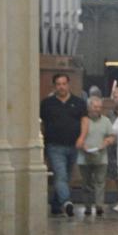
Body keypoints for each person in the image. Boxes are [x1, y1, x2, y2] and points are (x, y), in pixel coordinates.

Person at [40, 73, 88, 217]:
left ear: (68, 84)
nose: (61, 87)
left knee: (65, 177)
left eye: (64, 84)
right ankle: (67, 202)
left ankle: (56, 205)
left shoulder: (79, 102)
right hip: (54, 145)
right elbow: (41, 123)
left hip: (73, 144)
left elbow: (84, 121)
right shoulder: (47, 103)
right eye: (58, 84)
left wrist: (82, 137)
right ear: (55, 86)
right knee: (60, 175)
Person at [76, 96, 115, 215]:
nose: (97, 109)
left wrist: (107, 142)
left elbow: (112, 136)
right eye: (95, 107)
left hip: (101, 156)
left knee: (100, 182)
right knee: (86, 183)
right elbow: (77, 138)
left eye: (99, 107)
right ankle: (87, 206)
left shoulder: (106, 121)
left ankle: (99, 206)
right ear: (89, 108)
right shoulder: (82, 120)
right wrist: (83, 146)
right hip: (84, 157)